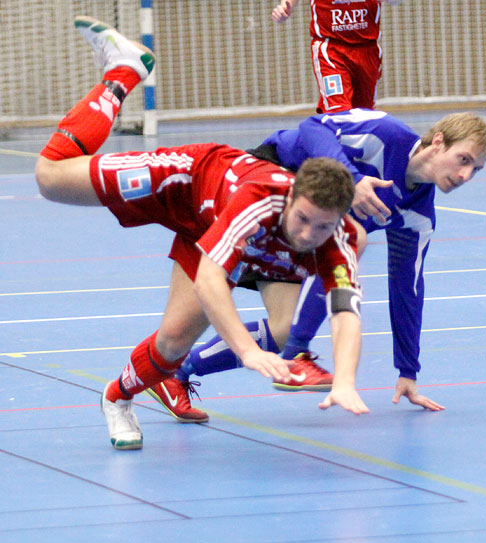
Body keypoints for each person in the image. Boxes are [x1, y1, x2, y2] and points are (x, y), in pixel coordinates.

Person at [34, 16, 370, 450]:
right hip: (186, 179)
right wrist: (248, 352)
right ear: (290, 198)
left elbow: (345, 312)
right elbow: (214, 280)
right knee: (49, 177)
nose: (308, 235)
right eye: (302, 219)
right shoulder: (260, 203)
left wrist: (344, 380)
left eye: (322, 227)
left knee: (174, 343)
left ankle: (117, 397)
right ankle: (124, 72)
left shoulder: (342, 237)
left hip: (212, 227)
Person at [150, 107, 486, 420]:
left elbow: (407, 289)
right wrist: (353, 179)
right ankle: (295, 354)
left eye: (476, 169)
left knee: (285, 323)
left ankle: (178, 373)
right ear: (438, 142)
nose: (466, 175)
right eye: (463, 159)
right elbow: (314, 126)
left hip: (309, 233)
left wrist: (408, 371)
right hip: (269, 178)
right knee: (351, 238)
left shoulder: (417, 215)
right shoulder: (384, 134)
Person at [271, 0, 403, 113]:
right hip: (330, 49)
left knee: (364, 114)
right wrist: (284, 7)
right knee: (338, 111)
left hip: (367, 49)